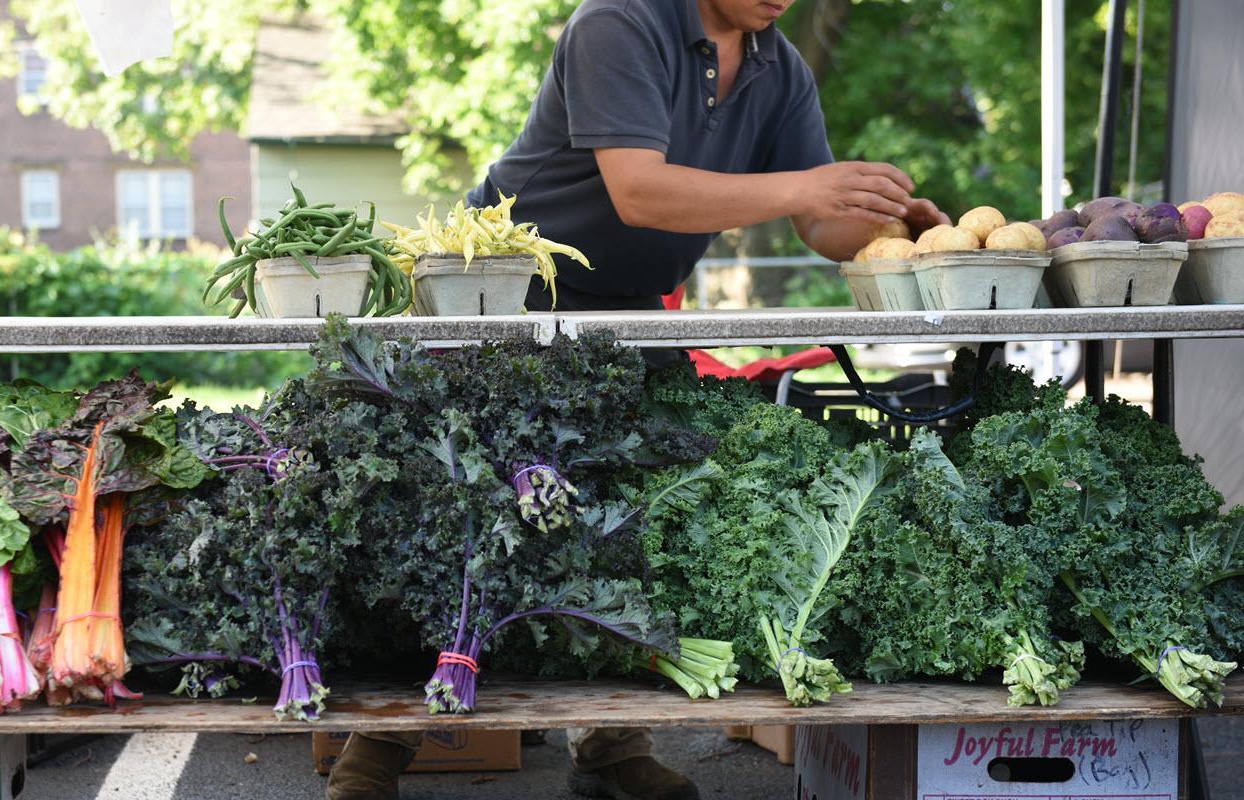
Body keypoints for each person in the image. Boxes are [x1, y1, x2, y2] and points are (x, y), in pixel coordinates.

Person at [326, 1, 947, 798]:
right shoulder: (616, 23)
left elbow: (812, 222)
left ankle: (612, 745)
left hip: (627, 306)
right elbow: (640, 193)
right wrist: (809, 184)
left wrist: (881, 224)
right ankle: (376, 749)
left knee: (639, 514)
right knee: (466, 514)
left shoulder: (777, 65)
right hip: (510, 289)